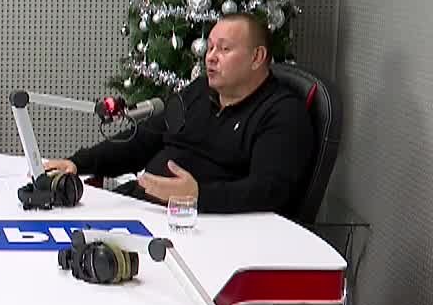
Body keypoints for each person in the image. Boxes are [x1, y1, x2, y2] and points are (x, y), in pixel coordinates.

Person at [44, 12, 314, 217]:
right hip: (144, 206)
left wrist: (198, 196)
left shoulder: (282, 113)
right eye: (210, 47)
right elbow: (144, 139)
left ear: (257, 57)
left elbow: (269, 191)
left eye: (224, 49)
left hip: (200, 227)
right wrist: (79, 163)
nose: (210, 57)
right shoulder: (199, 92)